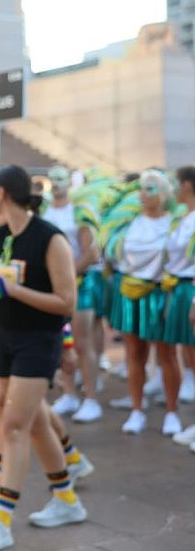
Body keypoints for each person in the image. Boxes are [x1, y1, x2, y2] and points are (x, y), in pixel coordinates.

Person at [0, 165, 86, 550]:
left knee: (14, 425)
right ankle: (66, 498)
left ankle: (1, 521)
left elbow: (67, 302)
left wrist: (14, 291)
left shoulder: (51, 238)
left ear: (1, 192)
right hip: (3, 335)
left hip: (39, 339)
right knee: (31, 422)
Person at [105, 169, 177, 435]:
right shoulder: (128, 222)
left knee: (166, 355)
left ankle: (171, 412)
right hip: (130, 293)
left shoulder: (174, 222)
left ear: (165, 193)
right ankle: (137, 409)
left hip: (159, 293)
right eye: (142, 189)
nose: (144, 195)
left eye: (151, 189)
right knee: (134, 354)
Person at [42, 166, 103, 423]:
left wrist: (67, 277)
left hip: (80, 284)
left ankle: (91, 397)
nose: (56, 183)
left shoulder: (79, 211)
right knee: (59, 340)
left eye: (60, 179)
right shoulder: (43, 211)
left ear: (70, 182)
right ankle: (68, 393)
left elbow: (91, 253)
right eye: (52, 179)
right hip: (54, 286)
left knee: (81, 341)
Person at [163, 165, 195, 446]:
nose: (173, 190)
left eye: (176, 184)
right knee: (190, 359)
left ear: (186, 186)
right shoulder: (183, 217)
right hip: (180, 289)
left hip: (191, 289)